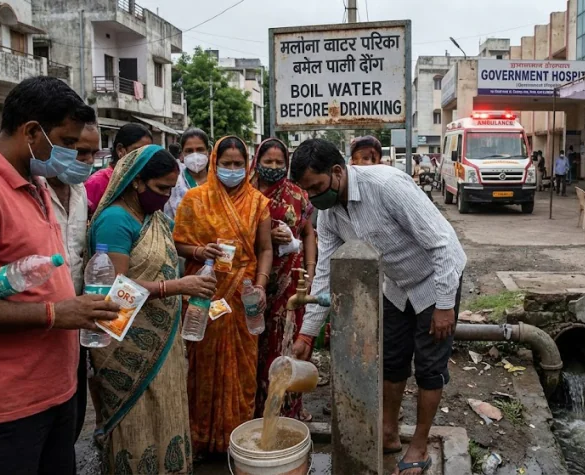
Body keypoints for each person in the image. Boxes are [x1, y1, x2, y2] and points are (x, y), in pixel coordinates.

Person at [0, 76, 121, 474]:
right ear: (31, 132)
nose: (74, 153)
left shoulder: (36, 183)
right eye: (68, 141)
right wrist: (55, 315)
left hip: (55, 392)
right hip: (5, 405)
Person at [290, 139, 466, 475]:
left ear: (338, 171)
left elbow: (443, 241)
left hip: (435, 279)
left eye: (316, 187)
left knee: (429, 367)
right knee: (391, 360)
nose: (313, 198)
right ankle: (388, 432)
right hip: (396, 285)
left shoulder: (387, 186)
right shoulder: (327, 213)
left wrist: (445, 305)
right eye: (306, 191)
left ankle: (418, 444)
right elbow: (325, 271)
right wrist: (307, 334)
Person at [88, 145, 216, 474]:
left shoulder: (153, 217)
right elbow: (114, 292)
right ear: (136, 182)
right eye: (161, 189)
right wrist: (176, 287)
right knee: (139, 419)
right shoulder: (115, 221)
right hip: (127, 344)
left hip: (162, 336)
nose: (165, 196)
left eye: (171, 189)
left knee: (166, 409)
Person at [172, 136, 273, 457]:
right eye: (226, 164)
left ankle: (237, 440)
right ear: (215, 163)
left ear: (247, 165)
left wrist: (260, 283)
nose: (232, 170)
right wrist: (201, 250)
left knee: (243, 370)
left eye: (238, 164)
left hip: (244, 299)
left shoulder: (258, 202)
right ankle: (201, 439)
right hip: (205, 297)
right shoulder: (194, 200)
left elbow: (265, 248)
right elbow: (178, 244)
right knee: (202, 368)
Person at [248, 138, 318, 421]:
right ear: (257, 161)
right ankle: (254, 410)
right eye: (268, 162)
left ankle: (289, 411)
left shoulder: (298, 195)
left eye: (280, 163)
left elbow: (309, 233)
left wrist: (311, 270)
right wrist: (263, 235)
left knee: (286, 345)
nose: (274, 167)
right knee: (254, 347)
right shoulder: (245, 194)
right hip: (253, 280)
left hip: (290, 282)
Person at [41, 122, 98, 442]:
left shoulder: (80, 193)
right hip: (38, 320)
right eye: (79, 152)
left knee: (71, 415)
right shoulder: (32, 187)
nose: (87, 160)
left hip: (75, 322)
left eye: (93, 153)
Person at [86, 123, 152, 214]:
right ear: (120, 150)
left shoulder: (141, 181)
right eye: (138, 152)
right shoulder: (98, 181)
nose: (144, 158)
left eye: (147, 153)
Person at [165, 128, 211, 219]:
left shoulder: (218, 180)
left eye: (200, 150)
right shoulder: (174, 183)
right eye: (189, 151)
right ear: (182, 154)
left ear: (208, 152)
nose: (195, 155)